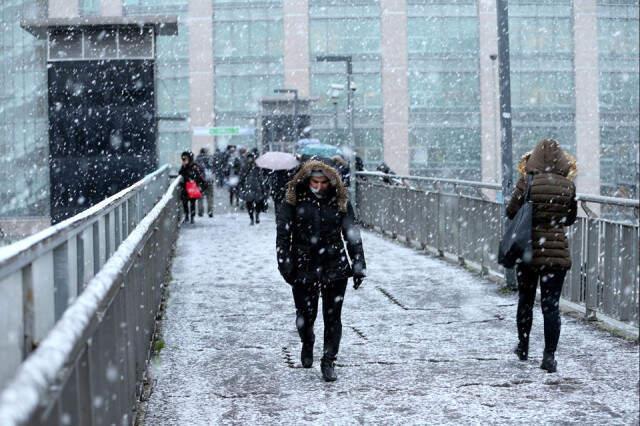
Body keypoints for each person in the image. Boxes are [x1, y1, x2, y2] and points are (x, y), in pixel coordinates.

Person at [276, 160, 366, 382]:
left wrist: (358, 264)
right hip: (303, 265)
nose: (318, 186)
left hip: (334, 264)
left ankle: (329, 360)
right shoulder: (294, 198)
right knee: (305, 316)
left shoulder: (339, 199)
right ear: (307, 181)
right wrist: (285, 264)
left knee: (333, 316)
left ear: (330, 181)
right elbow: (283, 234)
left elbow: (351, 233)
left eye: (323, 182)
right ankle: (307, 341)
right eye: (314, 182)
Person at [506, 138, 577, 374]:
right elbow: (569, 219)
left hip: (528, 250)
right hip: (556, 254)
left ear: (534, 157)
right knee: (551, 306)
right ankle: (549, 357)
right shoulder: (568, 186)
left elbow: (511, 211)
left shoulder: (527, 181)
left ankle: (524, 347)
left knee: (526, 300)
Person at [239, 153, 268, 225]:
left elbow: (260, 178)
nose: (250, 159)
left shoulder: (257, 167)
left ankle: (257, 215)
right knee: (249, 204)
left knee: (258, 203)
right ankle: (252, 218)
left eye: (251, 158)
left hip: (256, 188)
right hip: (248, 187)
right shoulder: (244, 167)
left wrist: (262, 187)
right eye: (249, 158)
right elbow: (241, 177)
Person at [179, 151, 207, 224]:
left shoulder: (194, 166)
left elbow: (197, 176)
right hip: (185, 187)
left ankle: (192, 217)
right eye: (183, 159)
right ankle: (187, 216)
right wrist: (184, 167)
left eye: (185, 158)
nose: (184, 160)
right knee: (185, 203)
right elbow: (180, 173)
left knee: (192, 203)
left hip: (192, 187)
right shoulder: (184, 166)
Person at [195, 147, 215, 217]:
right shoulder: (209, 159)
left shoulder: (197, 160)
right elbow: (213, 168)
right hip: (209, 180)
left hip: (200, 181)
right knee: (210, 197)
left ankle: (200, 212)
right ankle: (210, 211)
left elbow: (195, 170)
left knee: (200, 197)